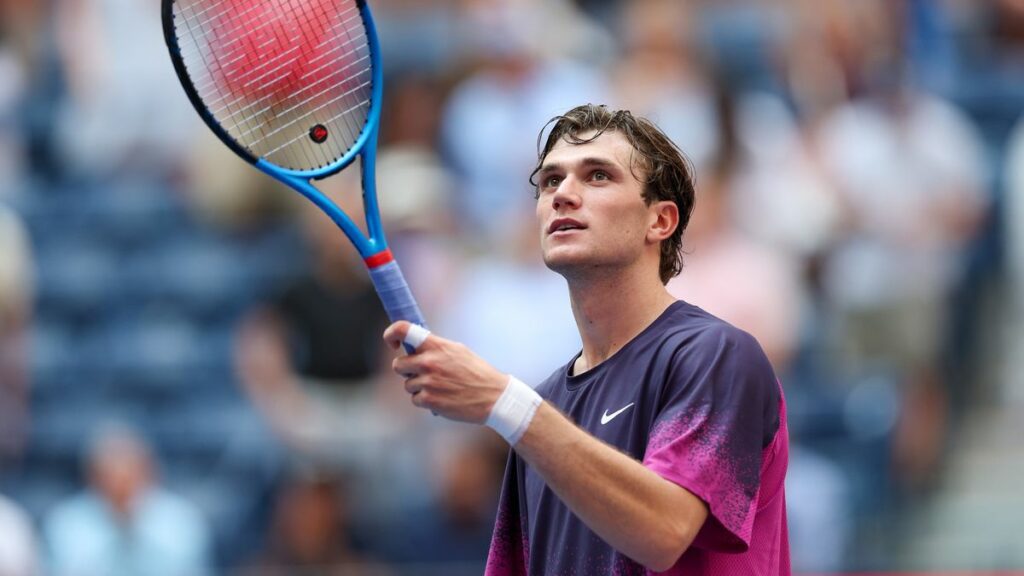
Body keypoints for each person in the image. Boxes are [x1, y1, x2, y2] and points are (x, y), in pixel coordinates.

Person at [383, 104, 790, 574]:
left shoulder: (716, 356)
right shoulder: (543, 407)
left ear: (660, 221)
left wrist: (505, 403)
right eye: (550, 181)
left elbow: (665, 532)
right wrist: (517, 410)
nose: (563, 195)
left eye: (597, 176)